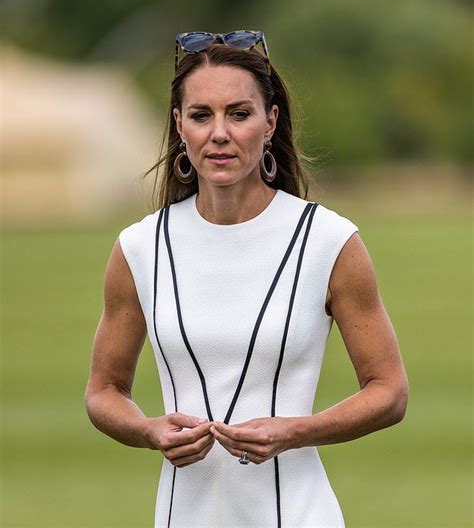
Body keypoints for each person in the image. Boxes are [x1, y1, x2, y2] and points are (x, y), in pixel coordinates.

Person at [85, 30, 409, 528]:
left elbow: (389, 391)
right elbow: (104, 390)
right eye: (201, 115)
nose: (219, 133)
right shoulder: (139, 247)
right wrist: (148, 430)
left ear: (269, 122)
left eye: (239, 114)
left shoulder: (328, 240)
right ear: (179, 126)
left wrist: (295, 431)